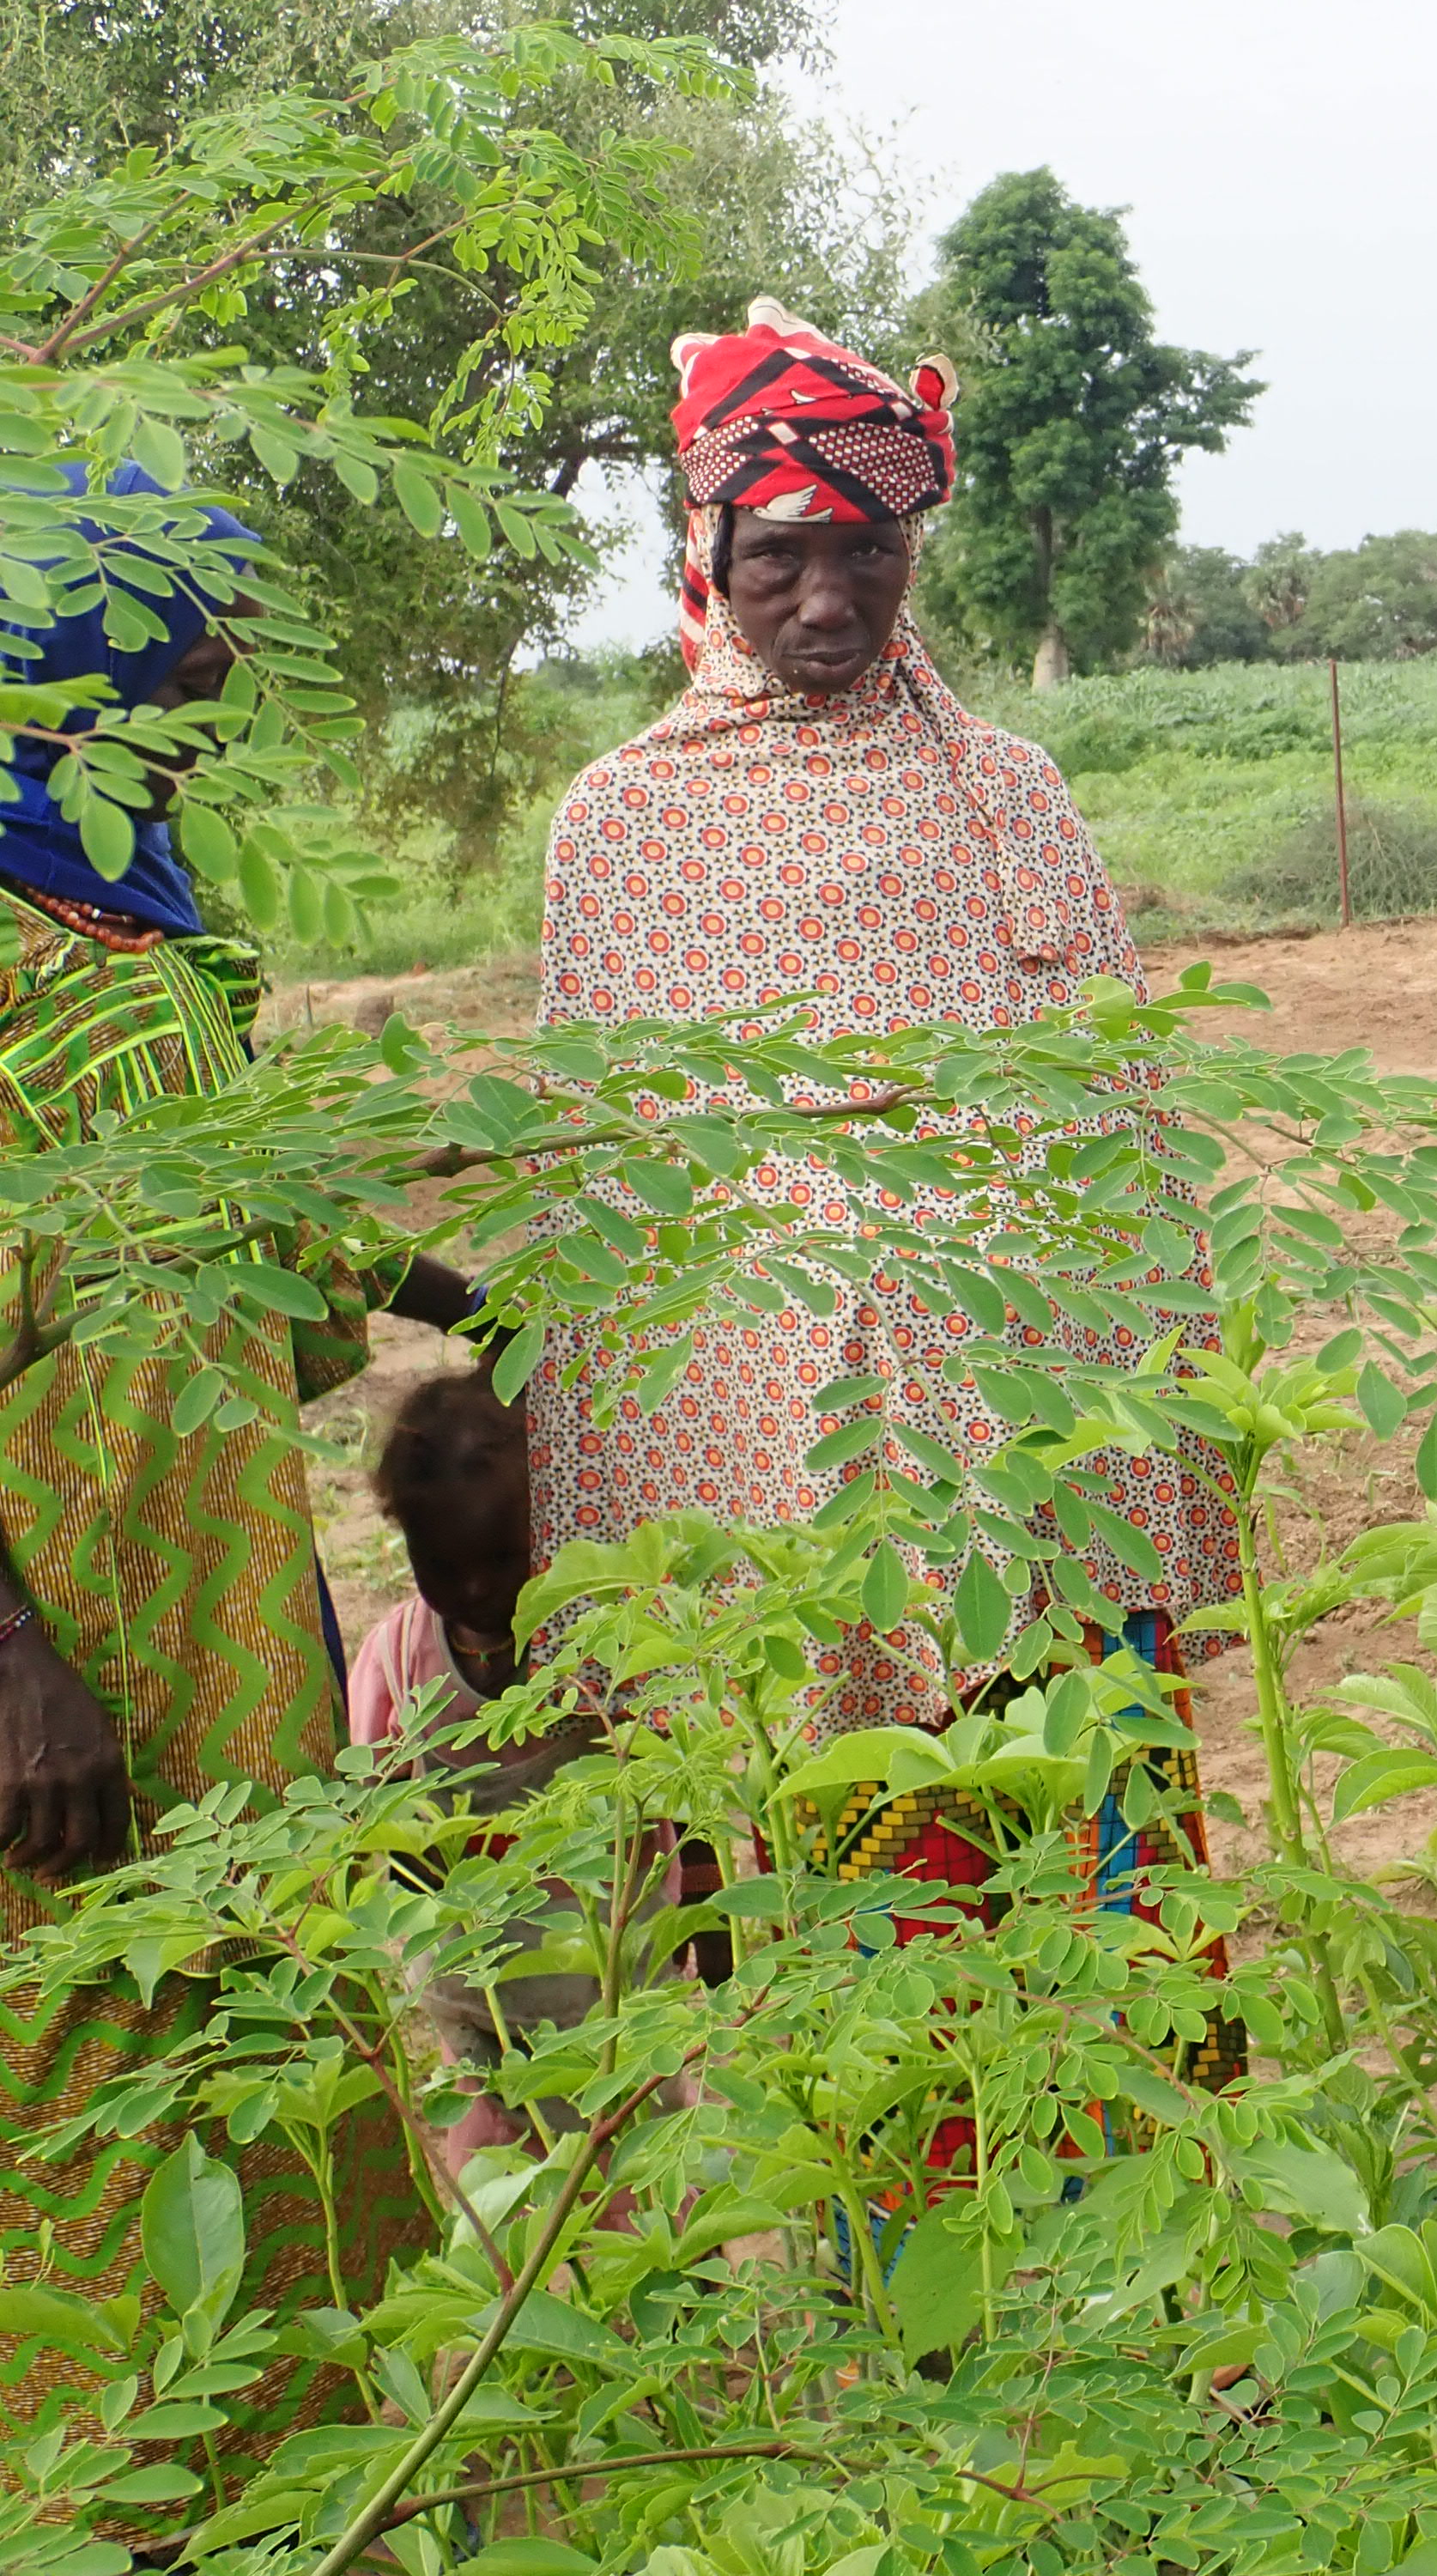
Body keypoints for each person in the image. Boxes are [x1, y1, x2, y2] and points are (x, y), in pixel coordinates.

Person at [531, 301, 1243, 2086]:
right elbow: (611, 1217)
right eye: (780, 560)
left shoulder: (1010, 790)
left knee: (1105, 1904)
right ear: (709, 556)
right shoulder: (622, 824)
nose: (828, 602)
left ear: (912, 544)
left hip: (1041, 1461)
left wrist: (1172, 1442)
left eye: (866, 553)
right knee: (882, 1944)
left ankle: (1170, 2321)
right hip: (794, 1484)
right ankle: (923, 2322)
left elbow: (1125, 1140)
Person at [0, 470, 477, 2440]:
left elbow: (248, 1237)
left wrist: (494, 1292)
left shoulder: (136, 940)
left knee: (285, 2108)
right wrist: (19, 1674)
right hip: (67, 1697)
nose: (208, 726)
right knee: (92, 2157)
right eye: (180, 688)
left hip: (229, 1677)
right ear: (62, 687)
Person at [350, 1375, 650, 2183]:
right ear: (402, 1540)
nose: (477, 1588)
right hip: (477, 2021)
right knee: (498, 2192)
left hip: (617, 2012)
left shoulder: (606, 1644)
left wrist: (711, 1952)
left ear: (545, 1525)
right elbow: (379, 1822)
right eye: (442, 1565)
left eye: (501, 1559)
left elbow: (671, 1801)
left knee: (644, 2195)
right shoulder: (398, 1664)